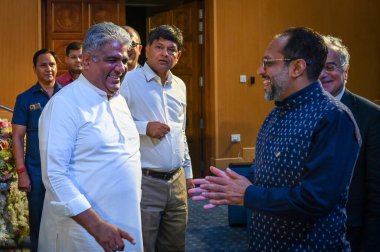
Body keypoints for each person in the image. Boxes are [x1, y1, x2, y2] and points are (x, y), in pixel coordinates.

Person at [189, 27, 361, 251]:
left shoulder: (332, 117)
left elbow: (315, 199)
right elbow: (272, 174)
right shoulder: (276, 113)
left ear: (297, 67)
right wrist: (227, 184)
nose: (260, 70)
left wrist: (247, 194)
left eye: (268, 62)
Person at [38, 22, 143, 251]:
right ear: (86, 61)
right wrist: (97, 226)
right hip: (84, 233)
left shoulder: (119, 101)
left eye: (124, 61)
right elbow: (55, 176)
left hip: (127, 223)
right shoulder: (64, 104)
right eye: (112, 60)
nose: (121, 68)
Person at [120, 24, 194, 252]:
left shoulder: (179, 85)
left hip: (177, 180)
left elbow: (181, 132)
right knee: (145, 244)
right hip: (146, 181)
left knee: (174, 244)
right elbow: (114, 127)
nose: (165, 53)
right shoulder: (128, 81)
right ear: (147, 50)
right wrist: (144, 128)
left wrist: (188, 172)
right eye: (159, 47)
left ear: (178, 55)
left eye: (171, 49)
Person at [319, 35, 380, 252]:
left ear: (346, 71)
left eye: (330, 67)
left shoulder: (372, 117)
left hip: (350, 230)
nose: (322, 74)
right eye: (317, 67)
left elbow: (376, 192)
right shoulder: (300, 112)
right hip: (306, 229)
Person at [12, 48, 61, 252]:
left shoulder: (67, 95)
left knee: (65, 219)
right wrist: (22, 173)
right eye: (43, 65)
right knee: (38, 222)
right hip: (36, 171)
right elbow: (17, 137)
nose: (48, 69)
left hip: (64, 170)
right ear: (35, 69)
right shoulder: (25, 99)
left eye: (52, 64)